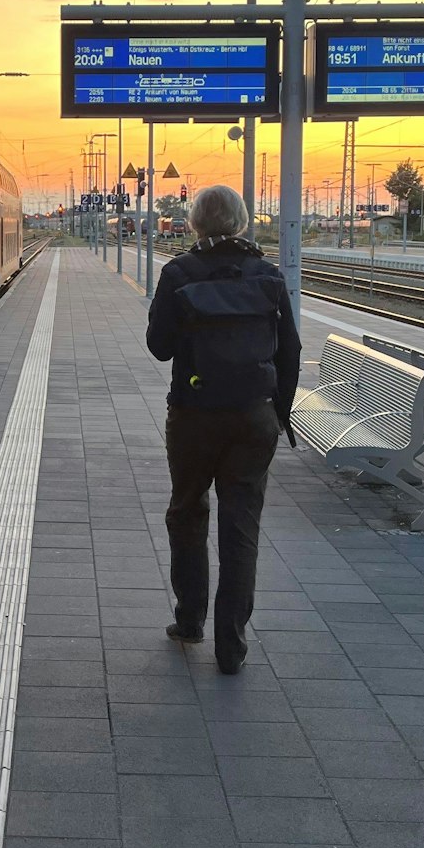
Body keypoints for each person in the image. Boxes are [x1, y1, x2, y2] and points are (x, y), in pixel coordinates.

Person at [146, 185, 300, 674]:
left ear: (193, 223)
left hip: (193, 415)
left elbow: (159, 347)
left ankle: (190, 619)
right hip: (253, 417)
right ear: (242, 222)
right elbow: (289, 351)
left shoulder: (178, 273)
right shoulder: (268, 275)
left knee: (187, 512)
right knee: (241, 526)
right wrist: (280, 410)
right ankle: (231, 644)